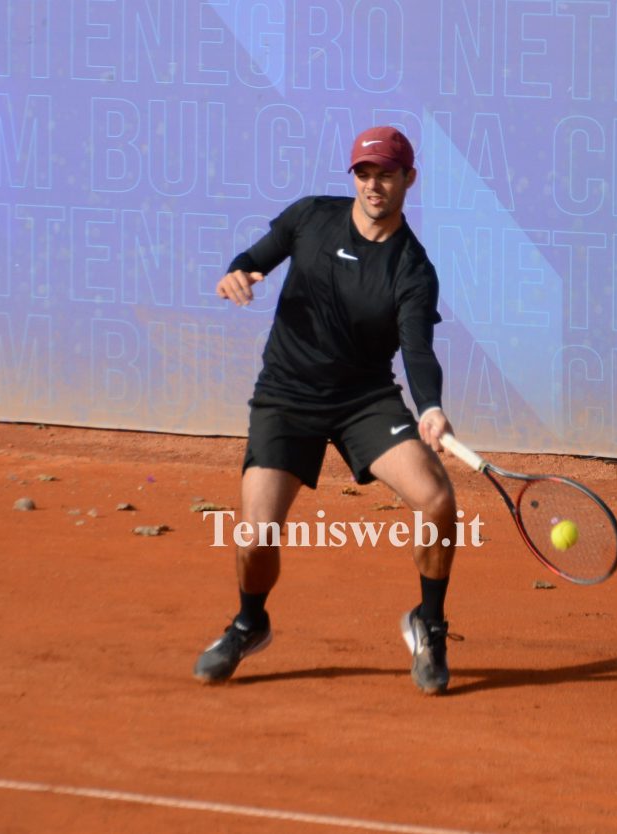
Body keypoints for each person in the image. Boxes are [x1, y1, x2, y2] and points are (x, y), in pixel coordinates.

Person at [193, 126, 458, 695]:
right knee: (254, 536)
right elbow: (254, 258)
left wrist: (431, 407)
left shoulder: (413, 269)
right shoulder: (311, 216)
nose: (373, 185)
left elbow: (416, 349)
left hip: (364, 399)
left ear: (409, 179)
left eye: (386, 173)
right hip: (286, 394)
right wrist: (238, 271)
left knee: (436, 499)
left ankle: (428, 624)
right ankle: (249, 622)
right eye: (364, 173)